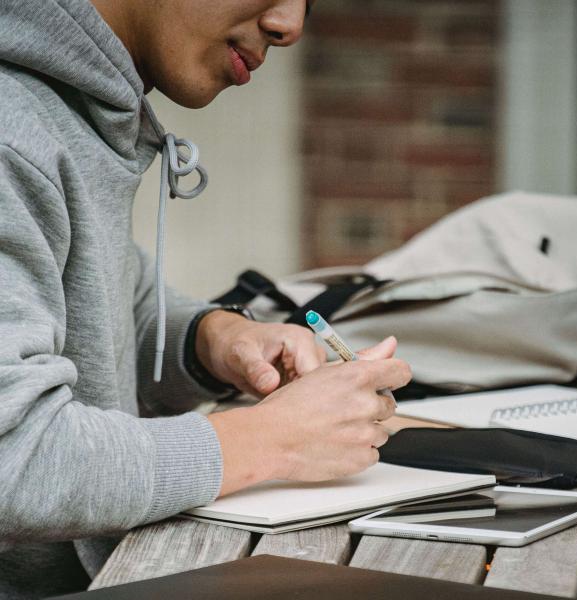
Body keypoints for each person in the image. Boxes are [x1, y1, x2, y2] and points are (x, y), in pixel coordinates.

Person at [0, 0, 411, 597]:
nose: (290, 25)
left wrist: (215, 340)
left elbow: (90, 306)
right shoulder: (12, 132)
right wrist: (271, 439)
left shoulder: (80, 108)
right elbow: (12, 460)